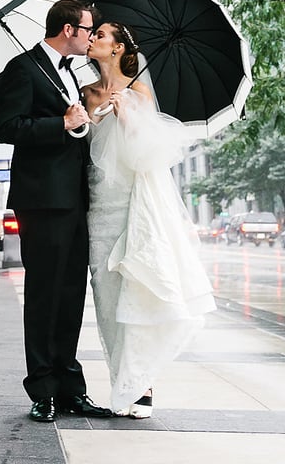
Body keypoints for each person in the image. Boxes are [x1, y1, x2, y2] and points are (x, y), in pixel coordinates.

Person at [82, 22, 216, 418]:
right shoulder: (86, 94)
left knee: (137, 290)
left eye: (100, 35)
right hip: (97, 207)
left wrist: (128, 118)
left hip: (131, 205)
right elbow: (84, 151)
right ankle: (121, 380)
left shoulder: (138, 92)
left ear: (119, 47)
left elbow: (148, 156)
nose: (92, 39)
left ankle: (141, 383)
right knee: (107, 299)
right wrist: (79, 123)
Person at [0, 0, 112, 422]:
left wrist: (82, 124)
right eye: (87, 29)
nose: (90, 35)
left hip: (75, 199)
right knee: (44, 296)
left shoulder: (70, 74)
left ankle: (69, 387)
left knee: (70, 295)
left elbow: (71, 131)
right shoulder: (21, 69)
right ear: (67, 30)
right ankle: (42, 389)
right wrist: (59, 125)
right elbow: (7, 128)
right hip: (41, 201)